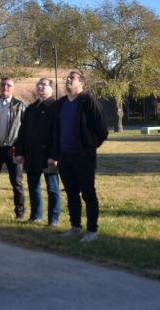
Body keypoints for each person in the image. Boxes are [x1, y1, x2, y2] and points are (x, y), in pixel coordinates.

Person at [49, 71, 109, 242]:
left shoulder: (88, 101)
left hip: (83, 157)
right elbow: (55, 131)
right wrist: (55, 154)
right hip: (64, 156)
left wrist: (88, 147)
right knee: (71, 193)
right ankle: (75, 226)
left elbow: (102, 130)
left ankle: (92, 230)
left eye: (72, 78)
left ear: (81, 84)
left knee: (88, 193)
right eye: (67, 78)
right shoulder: (61, 104)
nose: (68, 80)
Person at [15, 78, 61, 225]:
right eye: (38, 85)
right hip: (32, 154)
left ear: (51, 89)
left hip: (49, 155)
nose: (40, 87)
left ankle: (53, 219)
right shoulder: (30, 108)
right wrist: (19, 152)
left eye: (44, 85)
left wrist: (54, 155)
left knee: (52, 189)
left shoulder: (56, 107)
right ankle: (36, 216)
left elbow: (58, 133)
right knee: (33, 187)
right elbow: (22, 132)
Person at [0, 77, 27, 220]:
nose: (5, 88)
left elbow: (25, 130)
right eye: (2, 85)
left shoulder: (21, 106)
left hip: (13, 149)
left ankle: (19, 212)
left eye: (9, 85)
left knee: (17, 183)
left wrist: (19, 148)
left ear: (13, 88)